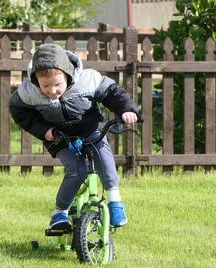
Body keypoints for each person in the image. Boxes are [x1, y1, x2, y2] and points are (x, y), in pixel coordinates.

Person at [9, 43, 139, 232]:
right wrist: (44, 131)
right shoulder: (29, 92)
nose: (52, 91)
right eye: (45, 86)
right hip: (59, 137)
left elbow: (113, 93)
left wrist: (127, 110)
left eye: (57, 84)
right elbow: (19, 111)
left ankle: (115, 202)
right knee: (77, 170)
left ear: (67, 74)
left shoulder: (87, 80)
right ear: (36, 80)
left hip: (91, 130)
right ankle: (60, 213)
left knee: (105, 161)